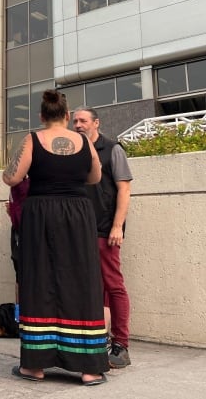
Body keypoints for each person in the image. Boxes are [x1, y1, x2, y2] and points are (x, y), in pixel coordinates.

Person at [2, 90, 107, 386]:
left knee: (40, 280)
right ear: (67, 114)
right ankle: (90, 368)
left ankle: (35, 366)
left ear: (41, 116)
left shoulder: (32, 140)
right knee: (81, 280)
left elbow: (11, 177)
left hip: (41, 214)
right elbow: (95, 177)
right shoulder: (85, 141)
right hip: (77, 213)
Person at [73, 106, 134, 369]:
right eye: (74, 121)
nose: (77, 125)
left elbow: (124, 188)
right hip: (80, 231)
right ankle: (95, 341)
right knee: (89, 288)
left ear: (95, 123)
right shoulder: (73, 151)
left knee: (113, 286)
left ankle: (121, 345)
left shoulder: (113, 149)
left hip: (105, 230)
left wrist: (117, 226)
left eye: (83, 120)